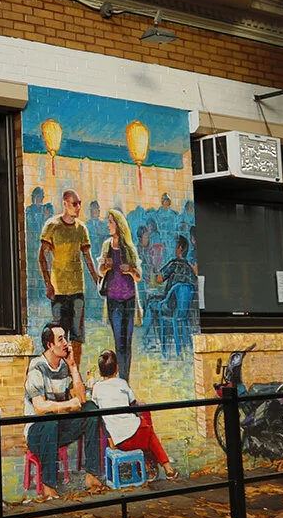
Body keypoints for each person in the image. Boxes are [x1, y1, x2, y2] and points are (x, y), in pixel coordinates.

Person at [23, 323, 108, 500]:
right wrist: (69, 405)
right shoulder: (36, 368)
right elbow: (40, 407)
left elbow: (82, 399)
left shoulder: (63, 367)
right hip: (37, 434)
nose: (66, 344)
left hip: (59, 428)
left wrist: (73, 366)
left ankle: (91, 475)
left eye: (65, 338)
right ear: (49, 345)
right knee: (49, 421)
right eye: (60, 339)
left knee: (91, 410)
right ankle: (48, 486)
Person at [88, 349, 177, 480]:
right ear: (117, 368)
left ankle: (146, 466)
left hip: (120, 441)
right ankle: (166, 467)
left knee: (145, 434)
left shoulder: (97, 388)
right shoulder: (122, 383)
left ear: (100, 372)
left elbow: (94, 403)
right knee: (149, 433)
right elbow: (133, 403)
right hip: (137, 434)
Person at [39, 189, 99, 346]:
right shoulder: (52, 226)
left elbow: (87, 256)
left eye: (79, 203)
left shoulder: (81, 229)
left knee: (77, 335)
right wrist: (48, 284)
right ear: (65, 204)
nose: (78, 207)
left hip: (77, 290)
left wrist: (97, 279)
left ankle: (75, 370)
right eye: (74, 204)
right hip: (58, 290)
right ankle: (63, 370)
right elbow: (42, 257)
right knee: (60, 334)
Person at [96, 208, 142, 381]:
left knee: (127, 342)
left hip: (129, 299)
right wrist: (106, 266)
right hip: (114, 299)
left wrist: (129, 269)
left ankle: (125, 378)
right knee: (118, 340)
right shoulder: (106, 245)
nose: (108, 225)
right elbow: (101, 271)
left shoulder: (129, 247)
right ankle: (121, 379)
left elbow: (138, 276)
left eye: (110, 222)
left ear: (118, 224)